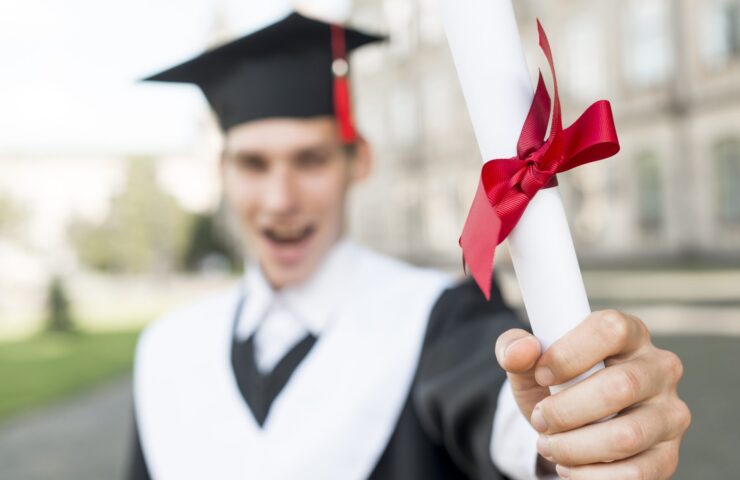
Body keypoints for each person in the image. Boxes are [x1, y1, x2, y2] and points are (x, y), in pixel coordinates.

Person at [128, 12, 690, 480]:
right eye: (253, 164)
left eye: (311, 159)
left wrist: (584, 429)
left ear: (359, 160)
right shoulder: (168, 350)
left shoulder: (438, 318)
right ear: (221, 171)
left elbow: (508, 411)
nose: (280, 198)